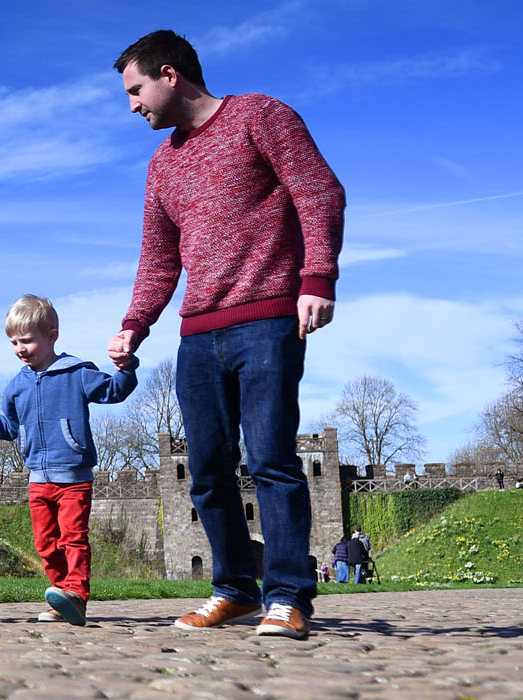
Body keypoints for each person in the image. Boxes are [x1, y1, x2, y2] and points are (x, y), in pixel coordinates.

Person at [107, 30, 344, 640]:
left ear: (170, 74)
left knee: (271, 460)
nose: (132, 105)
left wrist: (317, 276)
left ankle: (288, 595)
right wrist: (136, 323)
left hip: (268, 318)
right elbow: (158, 258)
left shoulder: (261, 116)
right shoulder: (162, 163)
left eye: (136, 90)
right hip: (197, 335)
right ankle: (234, 590)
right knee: (207, 469)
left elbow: (319, 193)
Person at [0, 295, 138, 626]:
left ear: (51, 336)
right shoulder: (16, 387)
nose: (20, 348)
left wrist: (126, 367)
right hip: (38, 478)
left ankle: (76, 595)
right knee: (45, 543)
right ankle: (61, 594)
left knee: (73, 537)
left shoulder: (77, 373)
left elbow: (114, 391)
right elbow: (9, 428)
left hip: (74, 477)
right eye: (13, 342)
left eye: (27, 340)